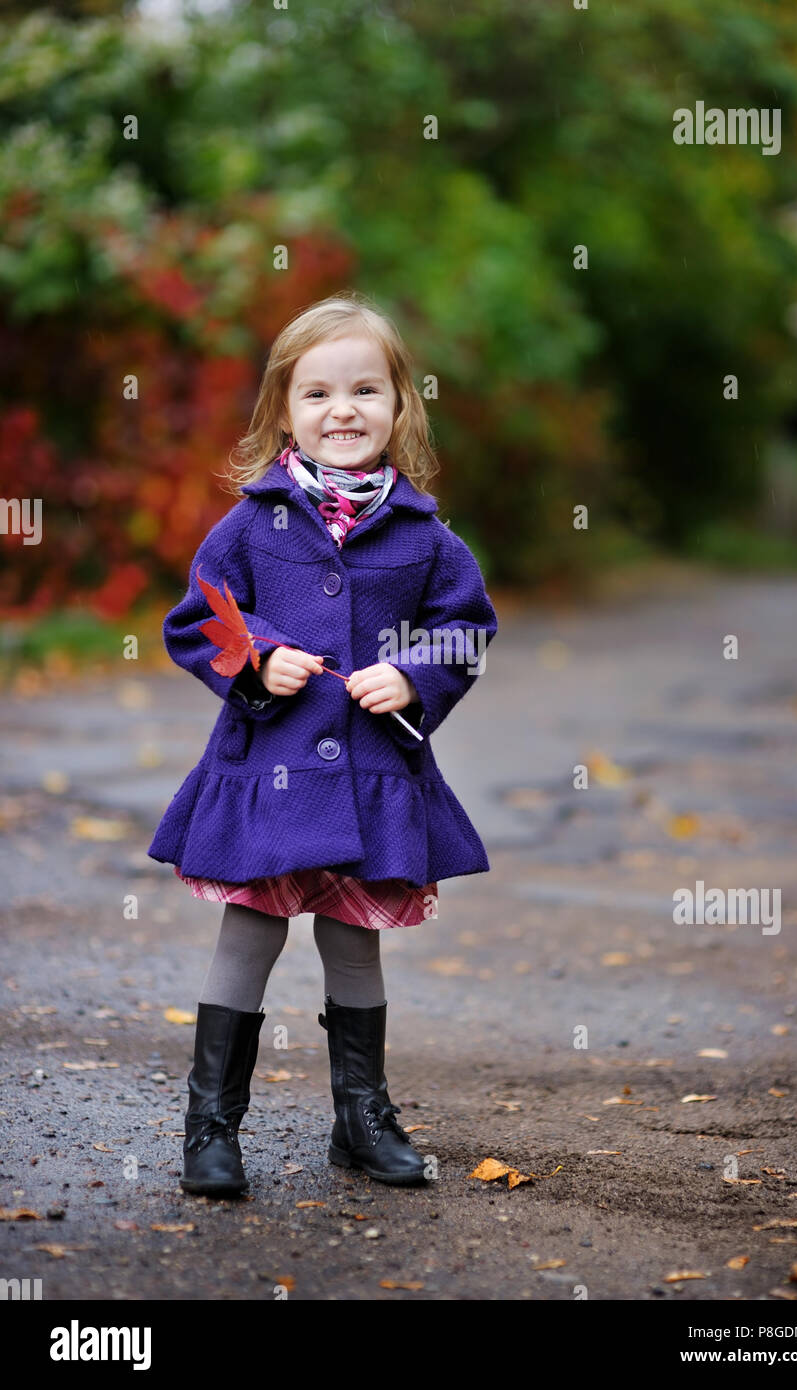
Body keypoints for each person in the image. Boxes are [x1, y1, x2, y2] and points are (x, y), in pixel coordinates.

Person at [147, 290, 497, 1196]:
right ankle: (212, 1127)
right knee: (250, 932)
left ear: (399, 405)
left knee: (354, 943)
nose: (342, 410)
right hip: (269, 775)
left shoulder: (424, 536)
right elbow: (198, 620)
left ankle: (362, 1118)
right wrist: (256, 659)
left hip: (375, 776)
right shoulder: (254, 521)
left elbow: (466, 627)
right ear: (283, 413)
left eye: (365, 391)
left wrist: (418, 673)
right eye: (317, 394)